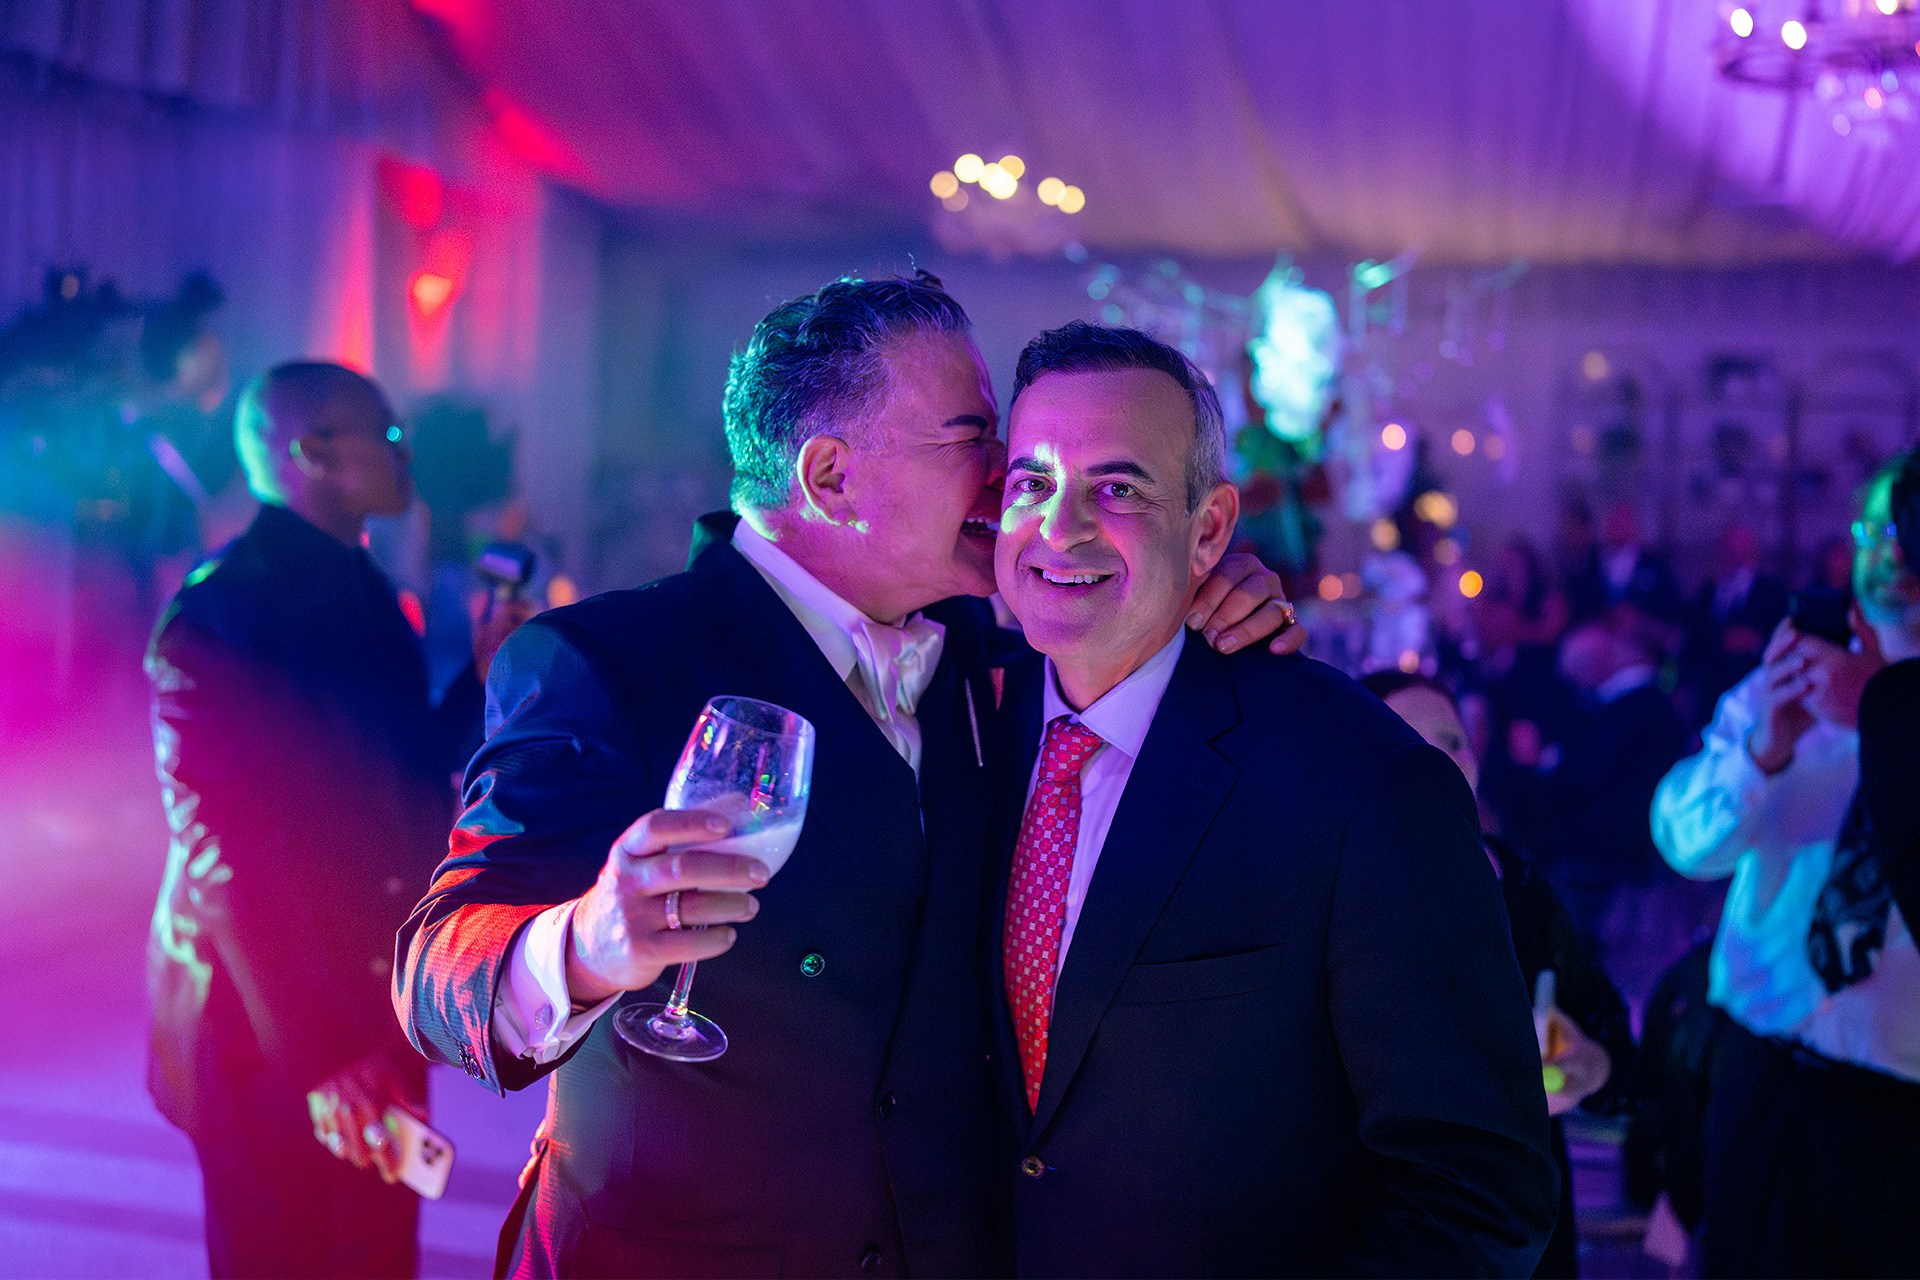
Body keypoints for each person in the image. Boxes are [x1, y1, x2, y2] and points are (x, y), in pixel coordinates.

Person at [393, 276, 1300, 1277]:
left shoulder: (986, 652)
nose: (1011, 472)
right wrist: (588, 942)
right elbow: (435, 970)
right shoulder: (608, 662)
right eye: (974, 439)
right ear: (831, 477)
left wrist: (1197, 588)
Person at [987, 321, 1557, 1277]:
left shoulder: (1363, 783)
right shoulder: (966, 726)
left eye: (1117, 489)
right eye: (1031, 484)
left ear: (1211, 528)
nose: (1059, 526)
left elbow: (1478, 1187)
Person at [146, 361, 526, 1278]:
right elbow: (226, 856)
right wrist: (321, 1053)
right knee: (283, 1254)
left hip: (369, 983)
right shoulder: (219, 615)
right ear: (313, 454)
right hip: (262, 1017)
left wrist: (483, 680)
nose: (406, 454)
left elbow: (396, 768)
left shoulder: (362, 584)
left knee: (376, 1252)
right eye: (388, 436)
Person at [1652, 450, 1920, 1276]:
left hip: (1898, 1107)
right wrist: (1762, 752)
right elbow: (1682, 844)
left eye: (1904, 530)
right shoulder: (1791, 679)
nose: (1886, 552)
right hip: (1760, 1071)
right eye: (1871, 529)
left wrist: (1881, 712)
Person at [1363, 670, 1634, 1279]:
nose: (1441, 762)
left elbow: (1616, 1049)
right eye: (1408, 743)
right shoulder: (1339, 899)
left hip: (1526, 1208)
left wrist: (1586, 1064)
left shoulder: (1518, 881)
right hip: (1402, 1220)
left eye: (1452, 741)